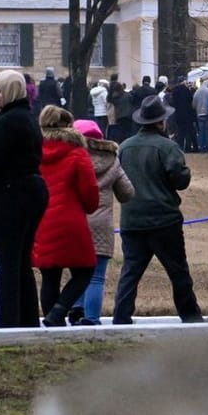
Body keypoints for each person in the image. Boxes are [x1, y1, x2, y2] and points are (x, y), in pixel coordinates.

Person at [110, 94, 205, 324]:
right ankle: (190, 317)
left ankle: (121, 316)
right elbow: (180, 181)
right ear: (161, 122)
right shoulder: (168, 147)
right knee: (178, 272)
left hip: (132, 219)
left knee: (130, 272)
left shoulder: (124, 147)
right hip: (164, 219)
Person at [0, 69, 46, 329]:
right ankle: (27, 322)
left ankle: (9, 325)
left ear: (12, 91)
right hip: (33, 192)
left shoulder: (6, 124)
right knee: (22, 262)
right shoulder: (28, 118)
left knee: (8, 265)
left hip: (11, 195)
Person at [32, 107, 101, 327]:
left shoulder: (33, 151)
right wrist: (90, 206)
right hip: (70, 218)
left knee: (49, 275)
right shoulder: (76, 152)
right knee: (86, 269)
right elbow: (89, 191)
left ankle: (54, 323)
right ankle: (58, 312)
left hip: (42, 219)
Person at [75, 121, 131, 325]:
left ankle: (76, 307)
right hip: (102, 223)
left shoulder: (74, 158)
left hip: (77, 221)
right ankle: (91, 318)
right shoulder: (112, 160)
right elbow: (127, 193)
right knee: (97, 276)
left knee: (76, 272)